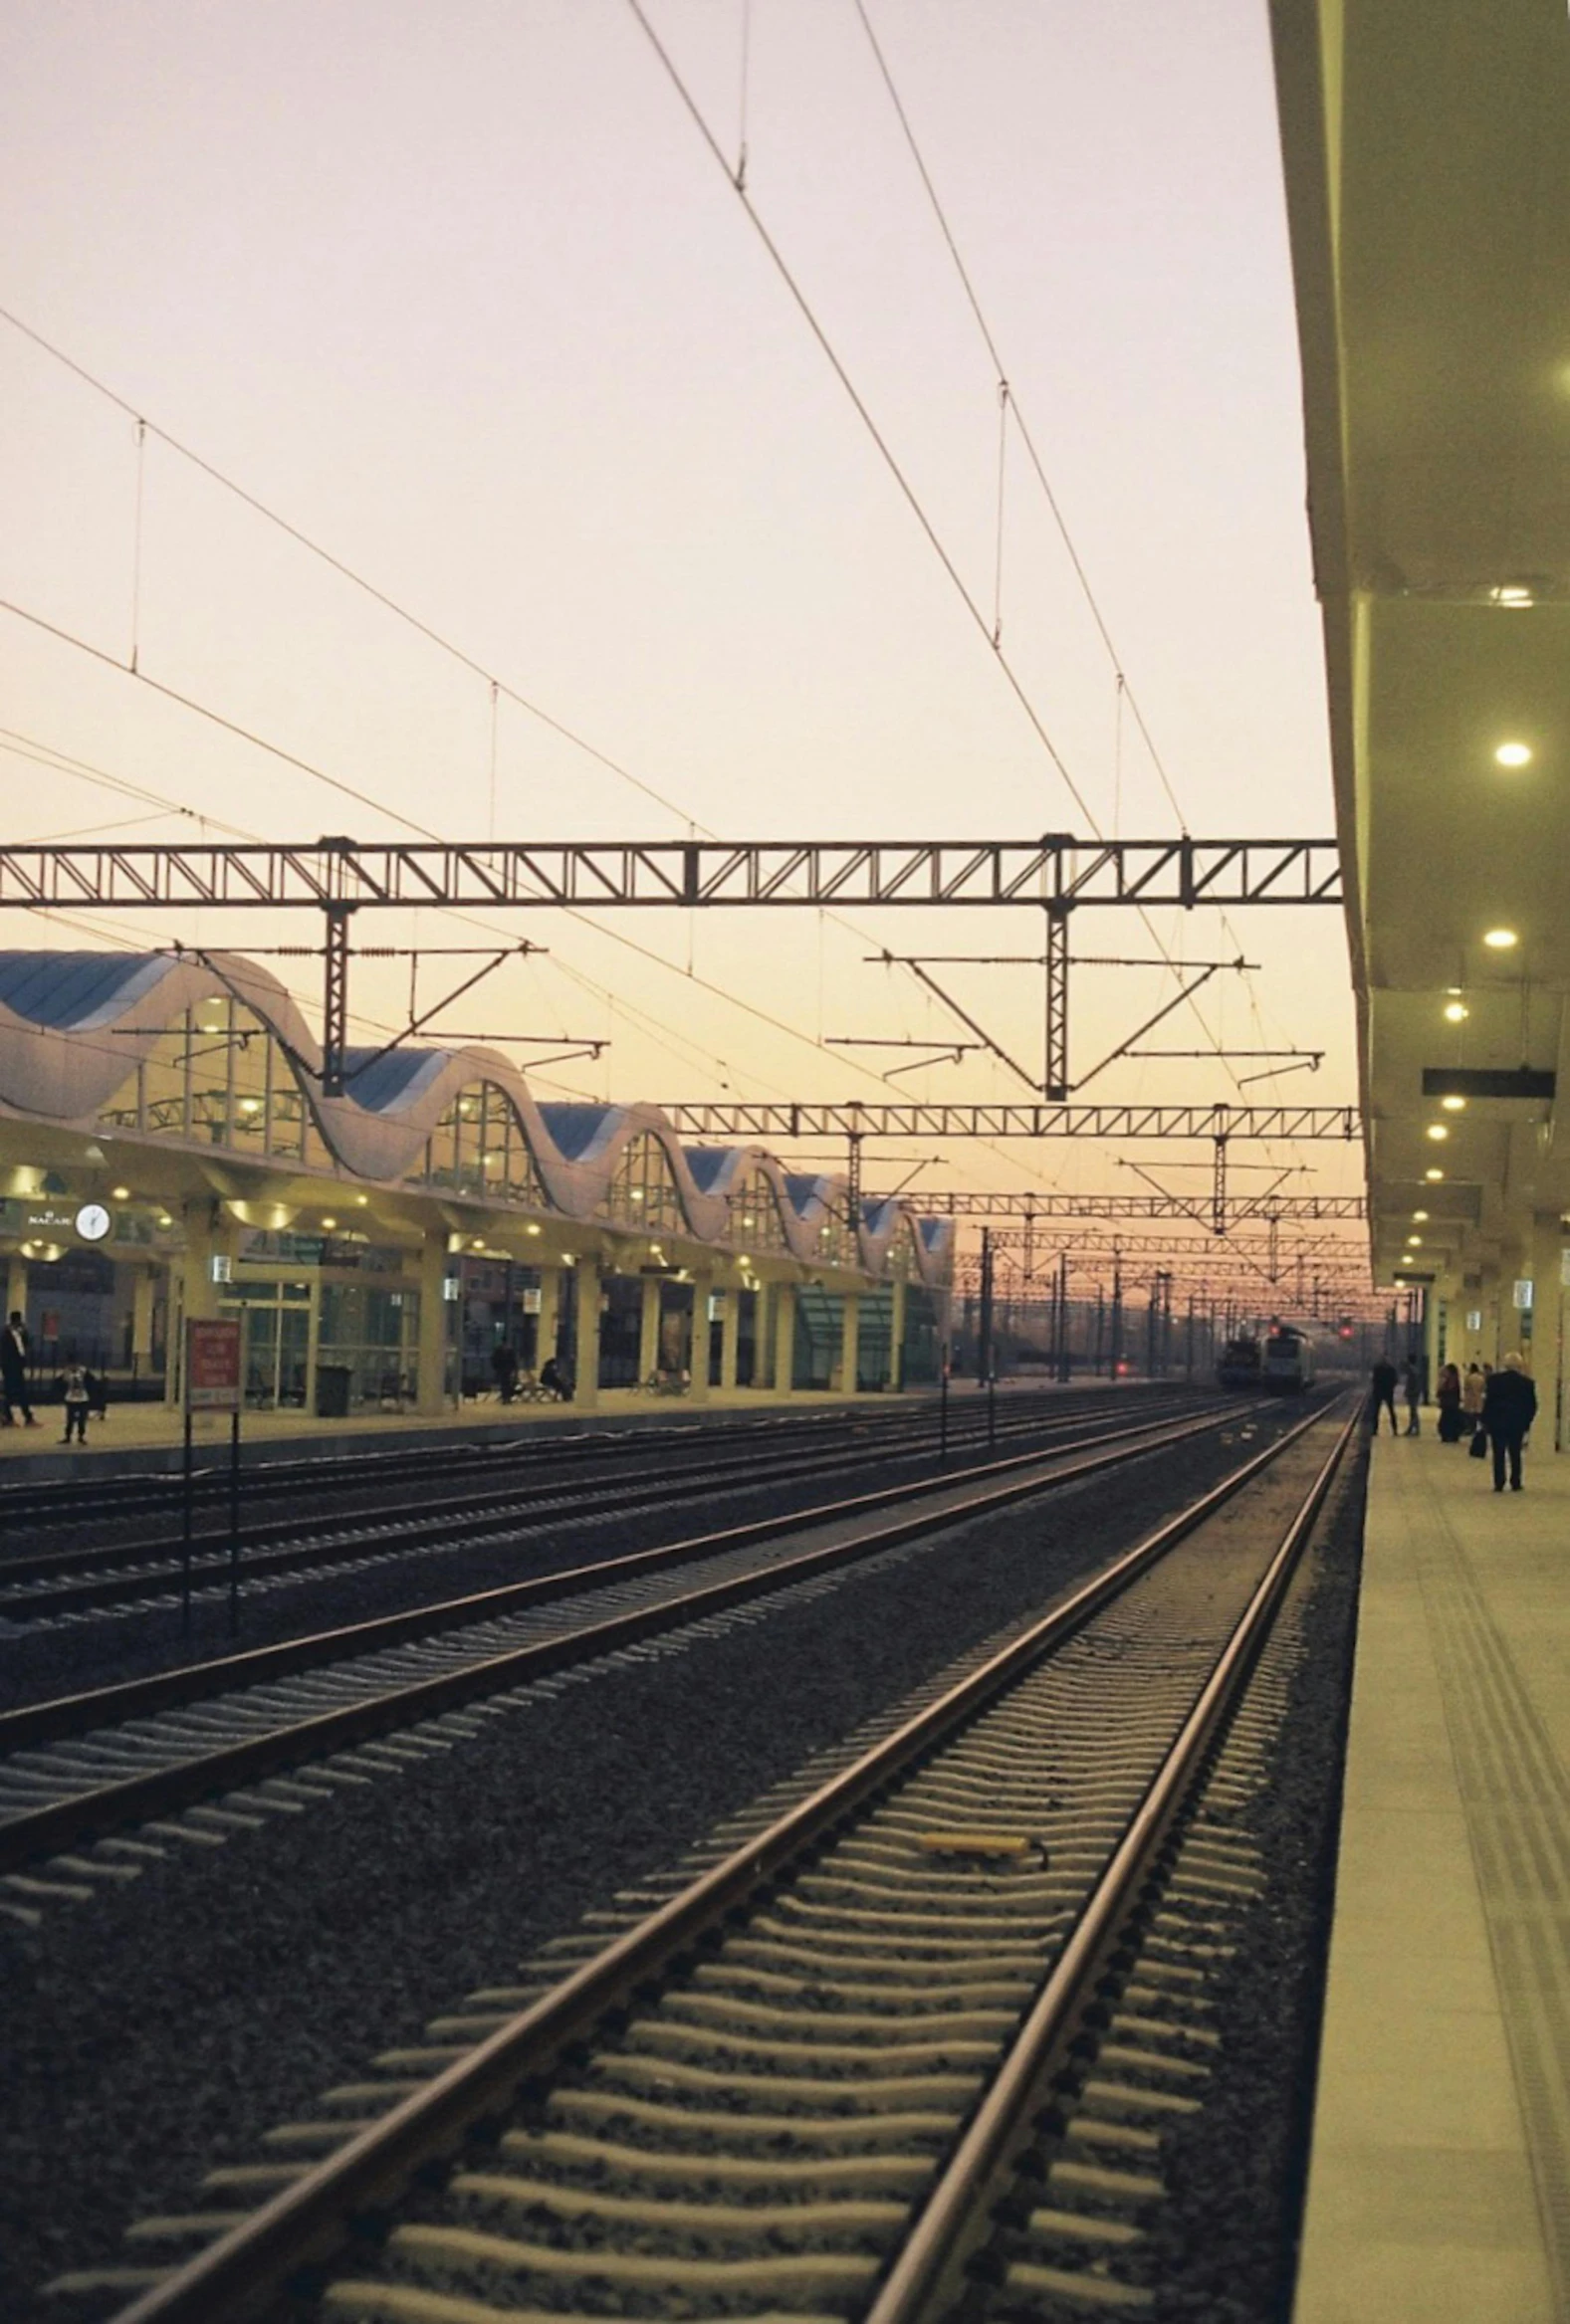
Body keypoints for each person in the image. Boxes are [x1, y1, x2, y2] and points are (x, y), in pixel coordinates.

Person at [1481, 1352, 1536, 1492]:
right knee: (1515, 1452)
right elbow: (1532, 1406)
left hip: (1497, 1422)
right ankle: (1515, 1481)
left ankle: (1499, 1482)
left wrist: (1485, 1420)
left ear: (1505, 1365)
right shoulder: (1527, 1383)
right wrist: (1526, 1422)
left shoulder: (1494, 1381)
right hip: (1516, 1423)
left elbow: (1489, 1402)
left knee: (1498, 1453)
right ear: (1520, 1366)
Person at [0, 1310, 37, 1427]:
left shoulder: (20, 1333)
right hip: (10, 1366)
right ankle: (10, 1417)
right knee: (12, 1392)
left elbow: (24, 1346)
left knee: (19, 1392)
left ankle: (20, 1417)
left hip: (18, 1365)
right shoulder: (5, 1334)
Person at [60, 1364, 91, 1445]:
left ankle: (80, 1436)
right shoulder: (67, 1372)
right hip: (71, 1398)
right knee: (70, 1419)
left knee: (81, 1419)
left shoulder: (83, 1371)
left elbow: (90, 1382)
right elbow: (61, 1382)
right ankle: (68, 1436)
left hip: (82, 1398)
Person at [1368, 1357, 1399, 1436]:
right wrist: (1391, 1387)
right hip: (1388, 1392)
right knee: (1391, 1411)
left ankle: (1374, 1430)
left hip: (1378, 1392)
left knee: (1376, 1412)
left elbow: (1374, 1380)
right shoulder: (1391, 1369)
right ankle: (1395, 1430)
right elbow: (1395, 1380)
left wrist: (1376, 1387)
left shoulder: (1377, 1368)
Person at [1436, 1363, 1463, 1443]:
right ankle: (1454, 1435)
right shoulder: (1456, 1379)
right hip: (1454, 1403)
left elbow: (1442, 1390)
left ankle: (1446, 1435)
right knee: (1453, 1420)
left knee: (1445, 1420)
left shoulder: (1448, 1379)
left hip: (1447, 1403)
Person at [1462, 1364, 1484, 1432]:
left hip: (1470, 1397)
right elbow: (1483, 1388)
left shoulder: (1469, 1377)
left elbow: (1466, 1387)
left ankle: (1470, 1428)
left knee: (1469, 1415)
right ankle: (1477, 1428)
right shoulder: (1481, 1378)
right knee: (1477, 1414)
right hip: (1478, 1397)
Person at [1402, 1358, 1422, 1435]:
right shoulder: (1415, 1371)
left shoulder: (1412, 1372)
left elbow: (1412, 1384)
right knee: (1413, 1411)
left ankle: (1414, 1428)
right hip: (1414, 1393)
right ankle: (1414, 1428)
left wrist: (1408, 1392)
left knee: (1413, 1412)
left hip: (1413, 1394)